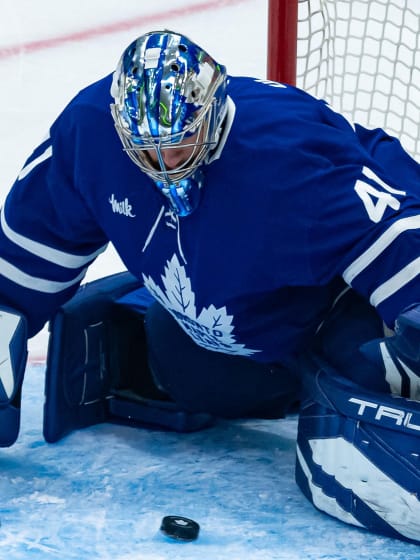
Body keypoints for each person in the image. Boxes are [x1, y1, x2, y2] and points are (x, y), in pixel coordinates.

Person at [0, 30, 419, 539]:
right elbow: (24, 259)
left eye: (180, 143)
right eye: (146, 149)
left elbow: (393, 224)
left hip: (328, 306)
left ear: (215, 112)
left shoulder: (288, 159)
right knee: (191, 371)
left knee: (371, 368)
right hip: (214, 332)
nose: (164, 165)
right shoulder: (89, 133)